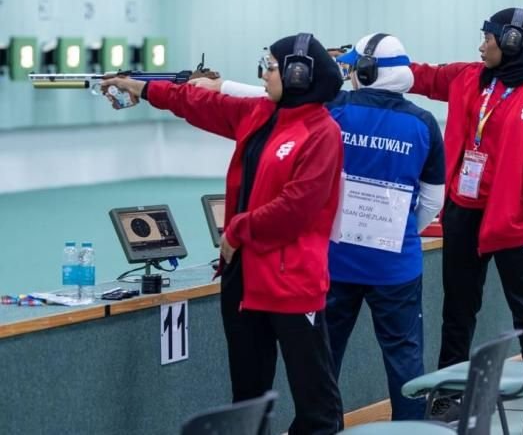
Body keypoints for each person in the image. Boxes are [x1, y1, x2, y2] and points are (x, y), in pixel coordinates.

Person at [103, 34, 345, 434]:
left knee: (315, 401)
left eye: (270, 67)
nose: (263, 75)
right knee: (247, 396)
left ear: (298, 75)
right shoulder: (261, 113)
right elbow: (197, 102)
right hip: (244, 278)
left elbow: (296, 209)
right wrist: (142, 88)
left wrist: (236, 231)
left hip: (291, 282)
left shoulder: (322, 132)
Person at [196, 33, 447, 420]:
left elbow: (270, 99)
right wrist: (397, 233)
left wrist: (221, 86)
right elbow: (432, 201)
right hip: (395, 265)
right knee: (405, 358)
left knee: (321, 368)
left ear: (367, 71)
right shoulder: (424, 124)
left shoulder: (333, 111)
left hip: (337, 262)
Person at [408, 7, 523, 435]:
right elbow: (424, 76)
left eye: (489, 40)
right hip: (463, 213)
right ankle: (449, 392)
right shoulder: (468, 77)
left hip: (514, 223)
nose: (481, 47)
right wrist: (379, 64)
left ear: (512, 43)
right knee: (457, 310)